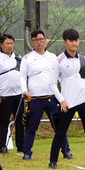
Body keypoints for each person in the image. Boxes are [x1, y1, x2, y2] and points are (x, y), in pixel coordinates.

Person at [48, 28, 85, 168]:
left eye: (76, 40)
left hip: (84, 99)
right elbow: (51, 84)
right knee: (60, 132)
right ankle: (53, 161)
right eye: (71, 41)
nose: (74, 43)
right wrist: (62, 100)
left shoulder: (84, 60)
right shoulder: (59, 61)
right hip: (67, 102)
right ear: (65, 42)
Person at [19, 29, 70, 160]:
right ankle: (27, 152)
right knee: (31, 127)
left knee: (59, 126)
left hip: (52, 97)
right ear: (32, 42)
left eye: (41, 39)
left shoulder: (53, 57)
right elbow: (22, 77)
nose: (39, 42)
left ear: (45, 41)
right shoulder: (27, 58)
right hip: (35, 98)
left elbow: (60, 76)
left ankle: (66, 151)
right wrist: (24, 90)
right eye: (35, 40)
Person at [0, 33, 24, 155]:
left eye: (11, 43)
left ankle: (21, 145)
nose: (10, 46)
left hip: (18, 94)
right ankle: (2, 146)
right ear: (1, 44)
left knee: (19, 121)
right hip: (4, 95)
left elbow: (23, 76)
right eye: (7, 43)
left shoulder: (18, 58)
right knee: (4, 121)